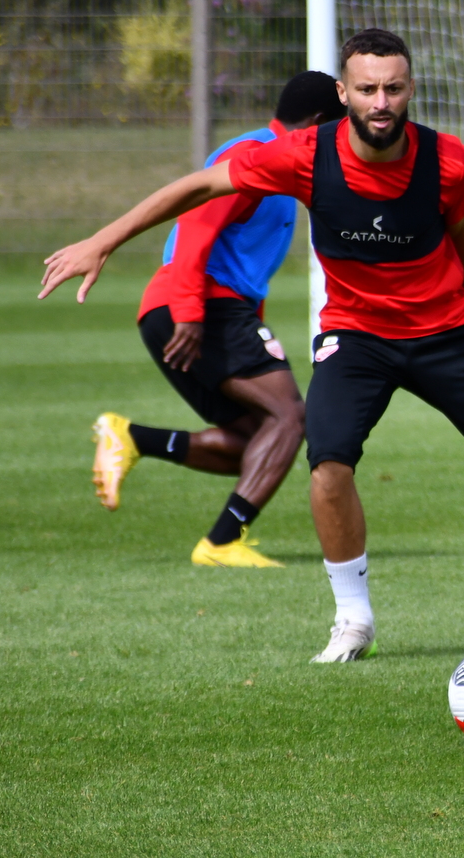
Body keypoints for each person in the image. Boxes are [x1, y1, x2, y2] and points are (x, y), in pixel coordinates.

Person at [40, 29, 464, 666]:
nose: (381, 103)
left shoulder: (448, 160)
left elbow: (458, 232)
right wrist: (104, 240)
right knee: (327, 460)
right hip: (356, 338)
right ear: (343, 94)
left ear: (410, 89)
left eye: (393, 89)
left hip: (448, 336)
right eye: (366, 89)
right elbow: (198, 188)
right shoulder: (302, 155)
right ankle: (353, 620)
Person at [89, 71, 346, 568]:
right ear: (318, 125)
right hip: (198, 305)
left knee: (258, 440)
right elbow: (195, 228)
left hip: (207, 307)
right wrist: (190, 312)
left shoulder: (279, 161)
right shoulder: (255, 155)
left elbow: (245, 269)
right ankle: (222, 542)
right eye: (339, 130)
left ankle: (132, 437)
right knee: (293, 417)